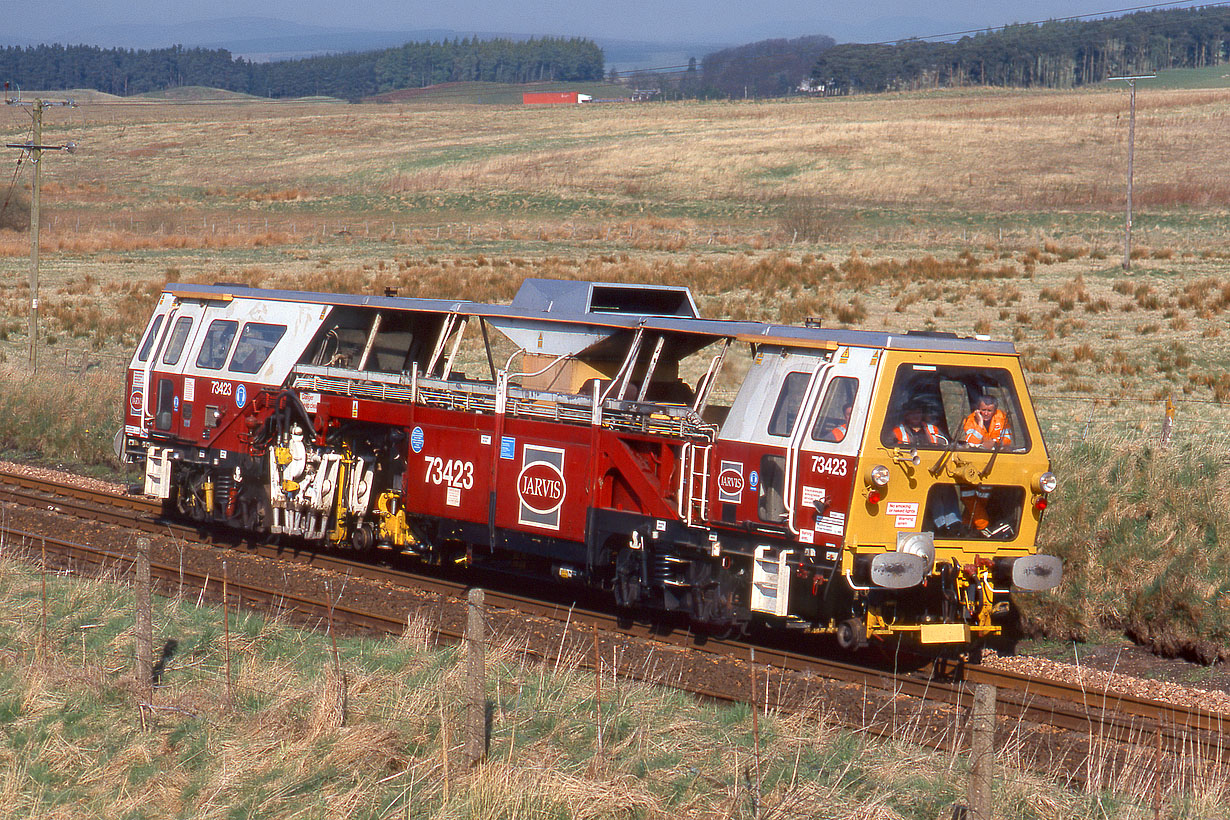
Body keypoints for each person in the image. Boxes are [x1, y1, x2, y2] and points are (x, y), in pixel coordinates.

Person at [958, 394, 1013, 534]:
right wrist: (980, 424)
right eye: (983, 410)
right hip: (971, 464)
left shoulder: (1003, 418)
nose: (986, 413)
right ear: (978, 409)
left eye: (989, 410)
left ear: (995, 410)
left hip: (992, 464)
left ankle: (966, 526)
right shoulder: (971, 420)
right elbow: (972, 441)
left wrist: (993, 442)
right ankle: (984, 527)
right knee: (967, 495)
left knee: (983, 497)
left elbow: (1007, 440)